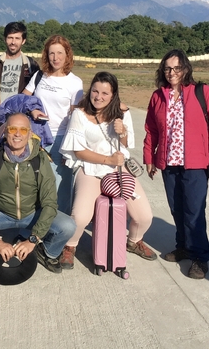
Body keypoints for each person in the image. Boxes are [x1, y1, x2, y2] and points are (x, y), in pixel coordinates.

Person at [0, 113, 76, 273]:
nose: (18, 134)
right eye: (12, 129)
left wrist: (32, 240)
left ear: (30, 133)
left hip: (32, 213)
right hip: (0, 213)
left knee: (68, 226)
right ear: (5, 132)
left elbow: (49, 203)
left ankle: (46, 252)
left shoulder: (40, 159)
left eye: (23, 130)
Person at [59, 72, 156, 270]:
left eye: (105, 93)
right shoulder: (79, 113)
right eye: (95, 91)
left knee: (144, 216)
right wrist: (107, 159)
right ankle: (70, 246)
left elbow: (126, 144)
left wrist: (124, 132)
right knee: (80, 217)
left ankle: (134, 241)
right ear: (90, 91)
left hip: (117, 170)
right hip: (89, 169)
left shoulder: (122, 113)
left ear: (113, 95)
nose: (99, 96)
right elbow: (78, 151)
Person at [144, 49, 209, 280]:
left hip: (196, 164)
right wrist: (149, 157)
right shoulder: (158, 96)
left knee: (194, 211)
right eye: (167, 68)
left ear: (186, 69)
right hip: (169, 164)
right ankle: (183, 246)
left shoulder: (203, 92)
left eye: (176, 68)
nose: (172, 72)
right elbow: (151, 130)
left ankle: (200, 257)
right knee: (177, 208)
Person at [22, 35, 83, 215]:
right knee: (34, 184)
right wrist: (32, 110)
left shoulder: (75, 83)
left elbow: (77, 117)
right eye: (51, 53)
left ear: (67, 54)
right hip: (36, 137)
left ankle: (58, 230)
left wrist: (70, 148)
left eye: (59, 53)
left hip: (60, 139)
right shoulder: (40, 76)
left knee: (59, 188)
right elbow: (23, 99)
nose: (55, 58)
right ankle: (32, 227)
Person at [0, 21, 40, 102]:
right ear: (5, 39)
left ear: (23, 41)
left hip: (20, 112)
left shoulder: (31, 65)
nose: (13, 42)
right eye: (10, 38)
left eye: (17, 38)